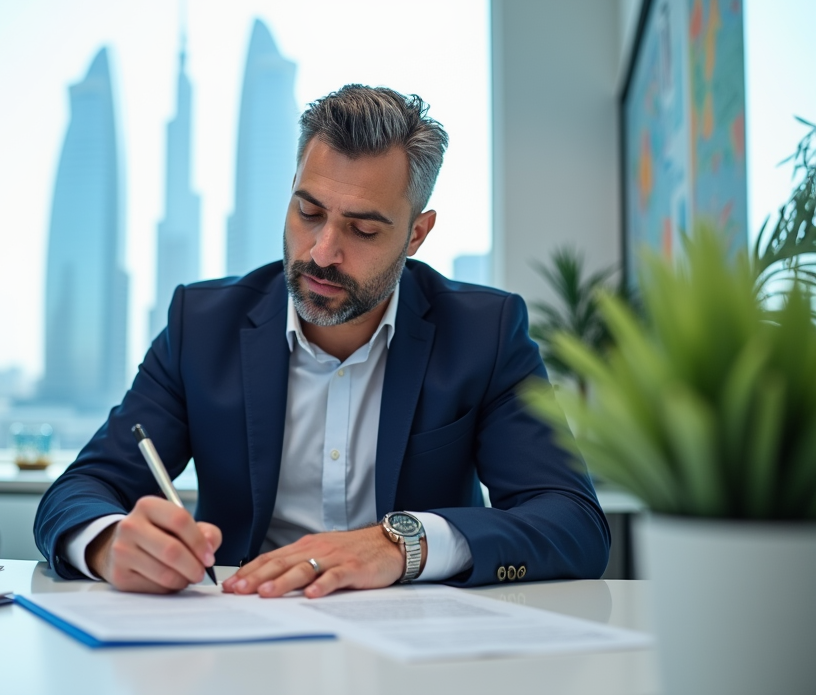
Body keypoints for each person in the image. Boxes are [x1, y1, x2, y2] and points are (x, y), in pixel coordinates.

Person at [34, 84, 609, 598]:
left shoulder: (483, 333)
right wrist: (109, 543)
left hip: (416, 651)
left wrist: (398, 545)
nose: (322, 252)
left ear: (416, 234)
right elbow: (83, 489)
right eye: (308, 212)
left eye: (362, 229)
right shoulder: (202, 324)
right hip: (238, 633)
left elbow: (573, 524)